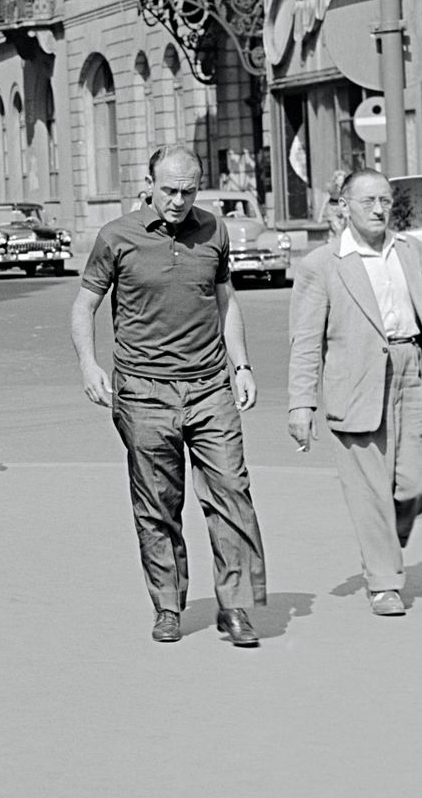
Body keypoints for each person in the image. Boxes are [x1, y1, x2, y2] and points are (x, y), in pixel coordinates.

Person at [71, 145, 267, 648]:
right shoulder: (116, 236)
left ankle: (236, 606)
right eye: (169, 190)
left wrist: (242, 365)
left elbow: (225, 300)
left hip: (209, 387)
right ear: (149, 184)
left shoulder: (214, 230)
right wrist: (89, 364)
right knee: (158, 503)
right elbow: (84, 305)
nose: (179, 201)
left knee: (232, 492)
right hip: (143, 391)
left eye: (189, 191)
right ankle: (167, 604)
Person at [287, 169, 422, 617]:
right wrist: (301, 404)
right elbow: (305, 341)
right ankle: (384, 584)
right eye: (368, 202)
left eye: (385, 200)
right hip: (355, 384)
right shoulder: (322, 264)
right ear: (344, 207)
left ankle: (388, 536)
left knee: (416, 485)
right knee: (369, 492)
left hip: (411, 371)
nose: (379, 209)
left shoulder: (412, 251)